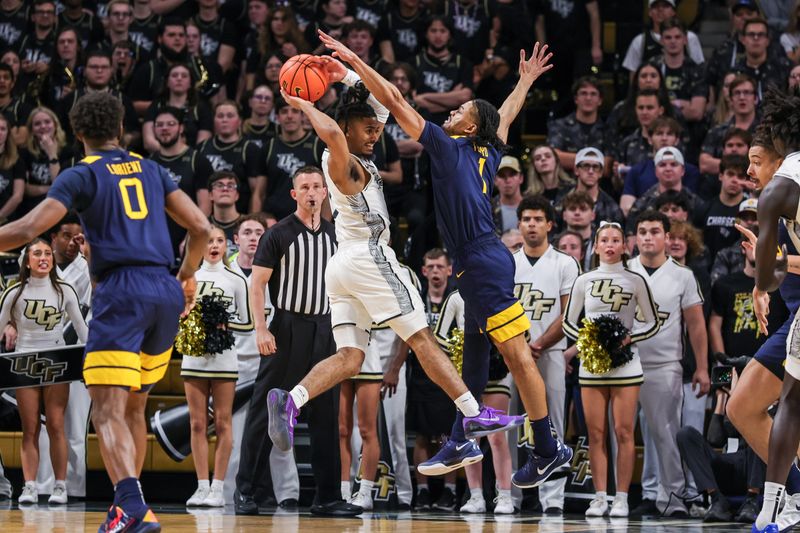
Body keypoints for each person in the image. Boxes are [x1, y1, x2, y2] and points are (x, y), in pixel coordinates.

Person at [318, 31, 572, 487]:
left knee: (517, 356)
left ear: (469, 128)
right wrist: (524, 81)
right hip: (476, 262)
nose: (452, 112)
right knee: (473, 353)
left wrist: (355, 61)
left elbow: (394, 99)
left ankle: (548, 448)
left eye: (461, 111)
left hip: (482, 260)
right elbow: (505, 115)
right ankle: (461, 436)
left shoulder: (446, 146)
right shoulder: (488, 147)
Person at [272, 50, 526, 496]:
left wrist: (345, 74)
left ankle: (291, 400)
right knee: (422, 336)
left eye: (375, 130)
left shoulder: (359, 148)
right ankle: (472, 412)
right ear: (347, 127)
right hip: (369, 257)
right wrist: (304, 103)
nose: (376, 134)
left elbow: (384, 105)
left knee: (351, 358)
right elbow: (331, 131)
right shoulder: (341, 159)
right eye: (367, 129)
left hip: (341, 266)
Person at [0, 90, 211, 531]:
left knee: (107, 411)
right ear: (120, 128)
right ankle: (128, 507)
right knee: (134, 408)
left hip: (121, 292)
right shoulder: (152, 169)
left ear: (76, 132)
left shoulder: (82, 174)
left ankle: (131, 509)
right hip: (163, 290)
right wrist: (186, 275)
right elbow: (201, 227)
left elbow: (27, 227)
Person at [233, 166, 347, 515]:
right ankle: (245, 491)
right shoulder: (279, 233)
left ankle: (328, 497)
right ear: (295, 194)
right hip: (286, 327)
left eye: (317, 186)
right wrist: (261, 328)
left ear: (325, 192)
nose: (312, 192)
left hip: (326, 328)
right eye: (305, 187)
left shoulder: (337, 235)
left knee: (326, 414)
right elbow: (257, 284)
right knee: (263, 410)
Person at [726, 122, 800, 533]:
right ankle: (795, 493)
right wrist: (760, 284)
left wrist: (773, 262)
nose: (749, 171)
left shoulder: (792, 195)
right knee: (740, 407)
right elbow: (773, 271)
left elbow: (782, 265)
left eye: (757, 161)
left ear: (781, 162)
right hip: (792, 321)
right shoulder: (775, 209)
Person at [564, 221, 660, 517]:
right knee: (595, 434)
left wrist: (629, 338)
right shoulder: (584, 280)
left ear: (624, 246)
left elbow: (653, 321)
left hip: (626, 364)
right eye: (604, 240)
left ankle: (622, 498)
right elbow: (568, 322)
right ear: (595, 246)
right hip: (592, 365)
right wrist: (590, 340)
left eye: (615, 240)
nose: (609, 245)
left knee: (623, 431)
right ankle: (599, 497)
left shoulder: (636, 280)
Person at [627, 210, 709, 517]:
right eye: (642, 232)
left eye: (654, 232)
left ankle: (673, 498)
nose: (648, 237)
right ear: (635, 238)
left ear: (666, 237)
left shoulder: (683, 275)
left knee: (666, 433)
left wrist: (702, 367)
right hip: (623, 365)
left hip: (665, 365)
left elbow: (696, 325)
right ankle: (625, 496)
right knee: (622, 432)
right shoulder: (622, 270)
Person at [0, 239, 87, 505]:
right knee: (30, 428)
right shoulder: (14, 292)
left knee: (57, 425)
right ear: (27, 261)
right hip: (25, 361)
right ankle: (30, 486)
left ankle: (60, 486)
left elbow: (81, 329)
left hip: (56, 361)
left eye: (47, 253)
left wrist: (92, 359)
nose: (43, 258)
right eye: (37, 253)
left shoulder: (64, 290)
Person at [511, 195, 580, 514]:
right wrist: (520, 347)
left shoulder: (565, 263)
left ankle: (552, 499)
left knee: (553, 422)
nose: (532, 225)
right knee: (509, 423)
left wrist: (537, 345)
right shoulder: (508, 261)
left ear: (550, 225)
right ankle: (508, 495)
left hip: (550, 353)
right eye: (526, 219)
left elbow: (569, 315)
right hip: (512, 354)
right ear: (519, 224)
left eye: (538, 219)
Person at [751, 90, 800, 533]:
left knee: (791, 402)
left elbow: (767, 278)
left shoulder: (776, 191)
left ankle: (770, 509)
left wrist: (770, 269)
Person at [547, 76, 609, 172]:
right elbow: (553, 156)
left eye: (593, 94)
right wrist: (595, 162)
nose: (588, 98)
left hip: (598, 181)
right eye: (583, 93)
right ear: (576, 99)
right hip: (565, 180)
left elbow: (608, 165)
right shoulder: (559, 125)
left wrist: (570, 159)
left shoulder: (607, 129)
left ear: (600, 100)